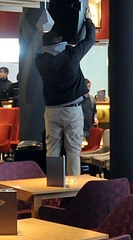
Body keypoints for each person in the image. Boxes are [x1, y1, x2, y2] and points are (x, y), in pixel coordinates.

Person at [35, 9, 96, 176]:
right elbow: (90, 39)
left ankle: (54, 184)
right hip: (72, 109)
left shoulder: (40, 61)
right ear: (60, 40)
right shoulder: (71, 55)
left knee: (52, 149)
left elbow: (48, 50)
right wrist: (88, 21)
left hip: (51, 110)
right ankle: (73, 185)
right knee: (73, 150)